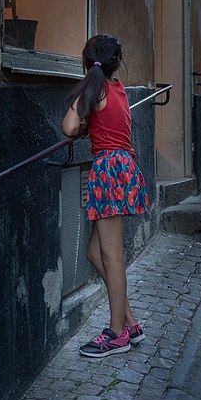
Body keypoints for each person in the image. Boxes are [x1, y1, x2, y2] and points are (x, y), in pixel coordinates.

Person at [61, 34, 150, 358]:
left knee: (112, 257)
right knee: (95, 254)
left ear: (86, 60)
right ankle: (130, 322)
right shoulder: (118, 88)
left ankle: (116, 335)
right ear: (116, 62)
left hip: (109, 171)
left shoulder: (92, 88)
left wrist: (79, 106)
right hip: (123, 167)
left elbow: (69, 127)